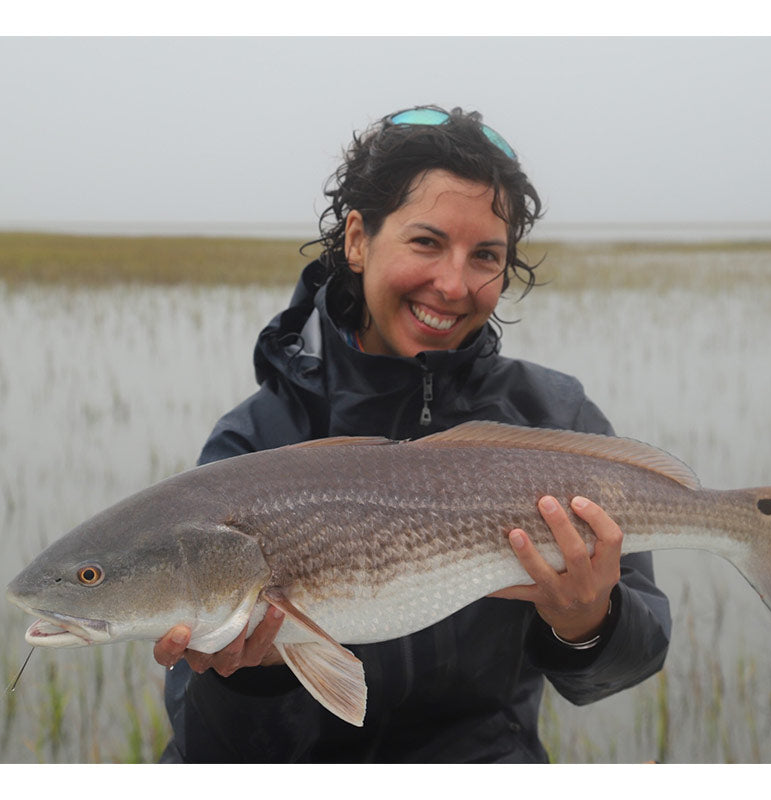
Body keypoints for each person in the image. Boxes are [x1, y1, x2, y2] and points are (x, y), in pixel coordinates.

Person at [154, 105, 671, 763]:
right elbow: (206, 751)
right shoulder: (260, 438)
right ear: (358, 239)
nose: (453, 285)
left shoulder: (554, 418)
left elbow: (629, 663)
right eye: (426, 243)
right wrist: (252, 677)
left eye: (485, 255)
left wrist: (587, 624)